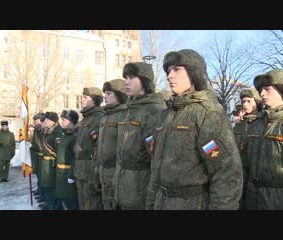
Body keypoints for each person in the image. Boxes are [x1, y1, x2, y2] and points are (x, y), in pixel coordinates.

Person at [146, 49, 243, 210]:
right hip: (161, 202)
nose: (170, 76)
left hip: (193, 203)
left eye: (177, 69)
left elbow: (225, 171)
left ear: (194, 73)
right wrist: (150, 202)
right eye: (168, 71)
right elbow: (155, 167)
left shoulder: (208, 113)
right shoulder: (165, 115)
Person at [113, 62, 164, 210]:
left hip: (139, 193)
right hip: (122, 189)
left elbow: (156, 159)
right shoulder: (128, 110)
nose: (126, 82)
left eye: (132, 77)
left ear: (145, 81)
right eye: (125, 78)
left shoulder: (153, 111)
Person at [242, 69, 283, 209]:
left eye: (267, 89)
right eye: (260, 90)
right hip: (252, 197)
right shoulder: (254, 125)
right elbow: (244, 163)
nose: (262, 93)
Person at [94, 79, 127, 210]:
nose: (105, 97)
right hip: (103, 173)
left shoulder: (124, 115)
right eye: (104, 94)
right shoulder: (105, 117)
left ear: (119, 94)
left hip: (116, 174)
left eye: (109, 93)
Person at [74, 87, 105, 210]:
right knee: (83, 204)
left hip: (90, 170)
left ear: (94, 100)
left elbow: (98, 147)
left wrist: (95, 174)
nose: (82, 99)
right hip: (81, 170)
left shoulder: (98, 117)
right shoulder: (86, 117)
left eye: (85, 97)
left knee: (92, 205)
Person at [54, 110, 79, 210]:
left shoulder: (74, 137)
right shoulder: (66, 135)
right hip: (61, 174)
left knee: (70, 202)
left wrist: (71, 175)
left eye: (64, 120)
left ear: (71, 121)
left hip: (68, 174)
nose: (62, 122)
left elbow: (75, 157)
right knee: (62, 199)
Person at [39, 111, 64, 210]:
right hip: (46, 163)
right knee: (47, 186)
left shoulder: (57, 133)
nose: (43, 122)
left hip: (52, 164)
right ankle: (50, 204)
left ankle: (55, 206)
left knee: (53, 187)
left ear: (52, 121)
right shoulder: (48, 132)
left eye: (45, 120)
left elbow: (59, 152)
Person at [30, 113, 46, 203]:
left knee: (42, 177)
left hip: (42, 156)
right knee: (39, 176)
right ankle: (40, 191)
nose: (34, 122)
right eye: (34, 120)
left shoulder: (41, 130)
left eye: (36, 120)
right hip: (36, 155)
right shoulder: (37, 130)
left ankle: (43, 194)